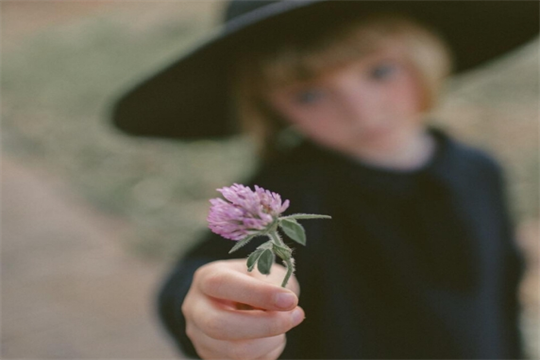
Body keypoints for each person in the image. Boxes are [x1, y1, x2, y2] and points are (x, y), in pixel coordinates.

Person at [111, 1, 539, 359]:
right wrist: (213, 303)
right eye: (309, 94)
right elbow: (200, 274)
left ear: (423, 54)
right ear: (271, 108)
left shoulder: (481, 170)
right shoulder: (286, 197)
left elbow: (500, 291)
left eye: (379, 72)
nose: (360, 110)